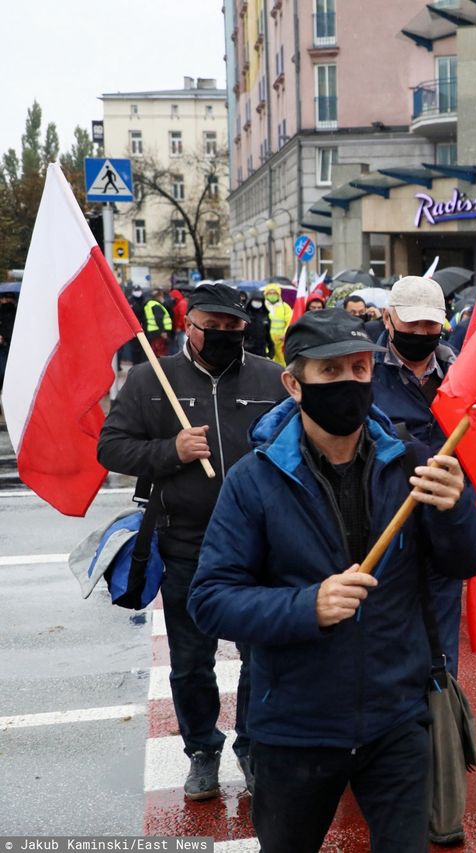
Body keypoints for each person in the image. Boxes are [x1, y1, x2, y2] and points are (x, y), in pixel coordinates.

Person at [188, 308, 476, 853]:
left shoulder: (411, 463)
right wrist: (309, 606)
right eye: (330, 373)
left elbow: (468, 562)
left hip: (397, 719)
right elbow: (211, 600)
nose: (348, 384)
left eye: (358, 370)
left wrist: (456, 508)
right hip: (295, 728)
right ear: (293, 383)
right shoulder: (254, 480)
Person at [98, 282, 286, 800]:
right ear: (190, 325)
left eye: (234, 329)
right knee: (190, 661)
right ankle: (202, 751)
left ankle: (253, 745)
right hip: (185, 544)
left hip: (260, 547)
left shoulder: (271, 379)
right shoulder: (150, 378)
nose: (224, 336)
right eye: (213, 327)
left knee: (262, 656)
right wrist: (170, 450)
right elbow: (111, 448)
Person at [370, 276, 463, 675]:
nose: (422, 333)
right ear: (388, 319)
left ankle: (442, 719)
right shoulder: (365, 370)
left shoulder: (463, 371)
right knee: (384, 636)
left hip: (445, 523)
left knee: (442, 645)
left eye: (431, 324)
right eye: (412, 324)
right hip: (383, 524)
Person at [262, 283, 292, 366]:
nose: (272, 295)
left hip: (280, 340)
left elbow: (290, 321)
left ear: (278, 294)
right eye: (270, 293)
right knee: (267, 361)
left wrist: (286, 334)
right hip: (266, 340)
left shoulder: (284, 306)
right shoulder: (262, 306)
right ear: (266, 294)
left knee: (282, 361)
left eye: (274, 293)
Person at [243, 290, 274, 360]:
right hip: (247, 352)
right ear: (250, 300)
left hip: (261, 351)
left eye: (259, 300)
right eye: (255, 300)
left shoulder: (265, 315)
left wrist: (271, 349)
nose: (257, 303)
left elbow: (268, 334)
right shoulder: (245, 315)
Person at [143, 288, 174, 356]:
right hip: (158, 332)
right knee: (160, 352)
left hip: (153, 331)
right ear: (158, 296)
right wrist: (163, 332)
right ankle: (159, 366)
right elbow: (159, 319)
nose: (162, 298)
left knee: (155, 351)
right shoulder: (156, 305)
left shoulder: (149, 304)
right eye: (161, 296)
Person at [169, 286, 190, 352]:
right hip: (181, 328)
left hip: (181, 328)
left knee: (182, 344)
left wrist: (179, 326)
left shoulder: (181, 303)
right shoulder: (180, 303)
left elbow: (182, 316)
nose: (171, 298)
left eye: (171, 296)